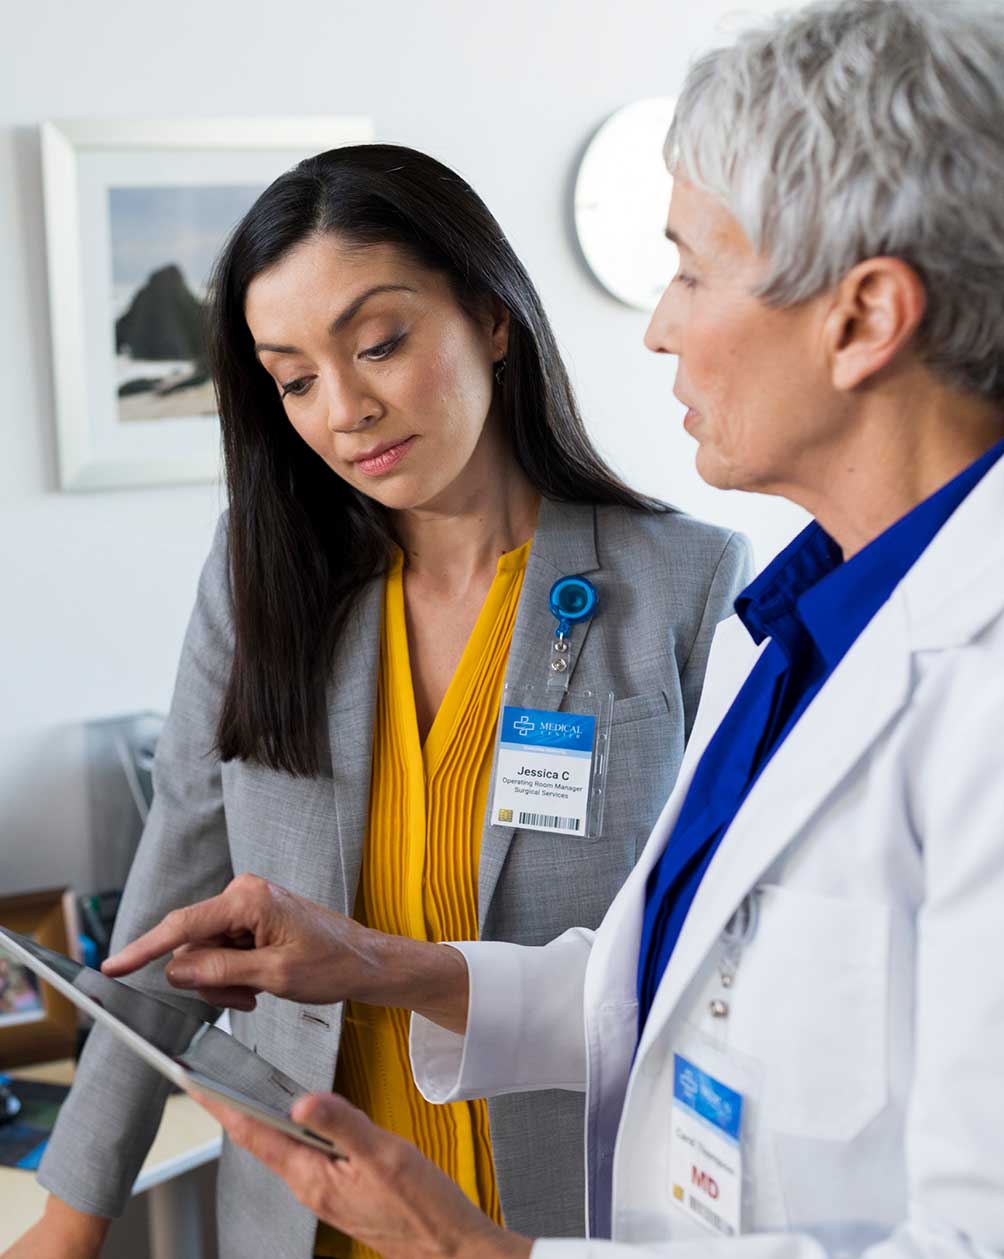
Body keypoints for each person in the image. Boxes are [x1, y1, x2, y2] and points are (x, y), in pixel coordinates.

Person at [85, 0, 1004, 1256]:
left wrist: (485, 1252)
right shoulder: (810, 625)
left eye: (686, 266)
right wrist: (378, 961)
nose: (655, 324)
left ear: (861, 317)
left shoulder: (722, 594)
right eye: (295, 377)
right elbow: (658, 976)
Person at [6, 146, 748, 1259]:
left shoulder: (684, 583)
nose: (344, 409)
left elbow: (717, 968)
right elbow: (164, 927)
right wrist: (70, 1220)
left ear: (493, 317)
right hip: (303, 1228)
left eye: (378, 343)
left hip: (558, 1223)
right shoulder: (262, 581)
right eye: (294, 377)